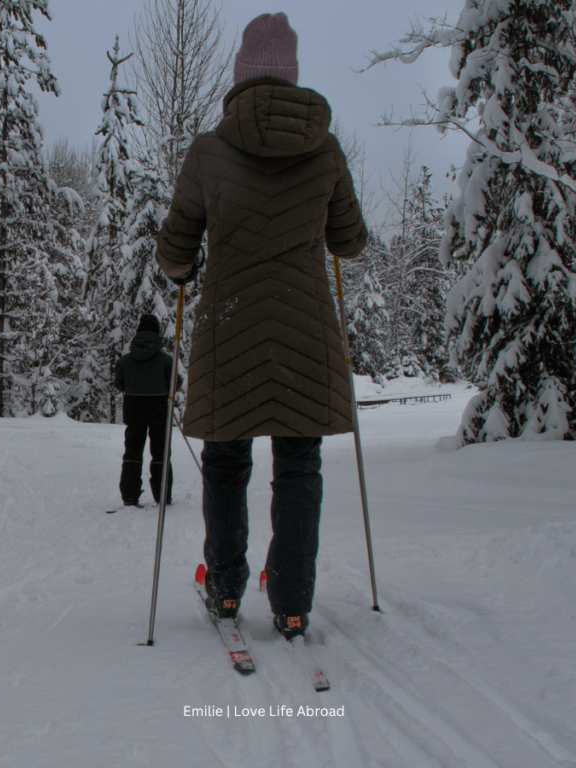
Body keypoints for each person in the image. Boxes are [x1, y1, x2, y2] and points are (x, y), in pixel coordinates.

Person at [155, 12, 368, 640]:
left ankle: (224, 594)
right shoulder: (325, 148)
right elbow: (349, 242)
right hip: (305, 333)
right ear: (293, 78)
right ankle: (293, 603)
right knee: (300, 465)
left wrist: (185, 262)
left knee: (225, 462)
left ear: (240, 78)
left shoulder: (209, 150)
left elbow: (175, 252)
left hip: (229, 328)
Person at [114, 313, 180, 507]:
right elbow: (175, 385)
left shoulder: (125, 361)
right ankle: (163, 495)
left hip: (134, 410)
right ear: (157, 333)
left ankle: (130, 496)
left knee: (132, 452)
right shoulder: (166, 360)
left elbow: (119, 384)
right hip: (159, 409)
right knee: (160, 453)